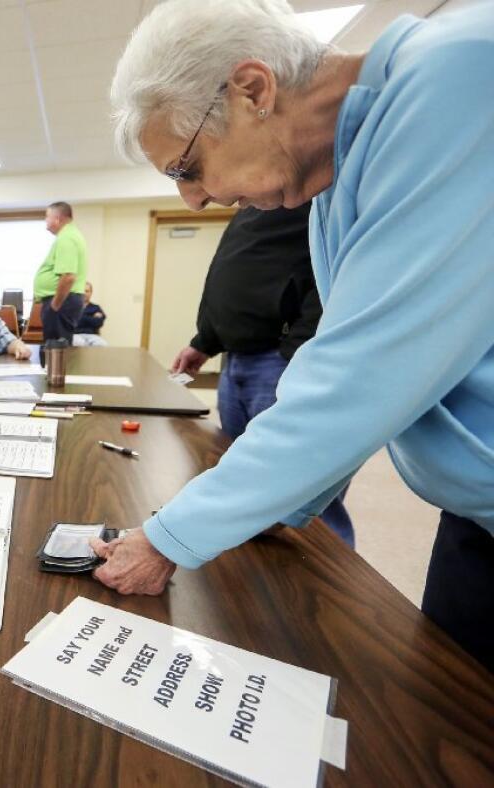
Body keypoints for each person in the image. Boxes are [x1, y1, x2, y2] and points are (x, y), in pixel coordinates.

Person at [98, 0, 494, 669]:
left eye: (185, 168)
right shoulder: (328, 186)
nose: (192, 200)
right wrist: (274, 502)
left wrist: (170, 537)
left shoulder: (461, 69)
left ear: (252, 90)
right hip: (474, 519)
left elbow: (359, 379)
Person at [172, 204, 353, 545]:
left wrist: (298, 351)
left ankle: (325, 592)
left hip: (281, 359)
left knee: (299, 487)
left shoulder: (312, 198)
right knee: (243, 477)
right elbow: (224, 279)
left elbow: (330, 272)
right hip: (236, 359)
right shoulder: (247, 209)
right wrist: (204, 342)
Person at [33, 201, 88, 343]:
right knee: (56, 350)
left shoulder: (66, 238)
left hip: (62, 301)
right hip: (66, 300)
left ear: (57, 218)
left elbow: (68, 276)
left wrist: (55, 305)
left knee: (55, 351)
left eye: (47, 217)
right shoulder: (71, 235)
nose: (45, 220)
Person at [72, 282, 108, 347]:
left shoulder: (96, 307)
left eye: (87, 291)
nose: (84, 293)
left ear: (91, 293)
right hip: (76, 335)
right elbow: (72, 322)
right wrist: (91, 318)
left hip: (92, 335)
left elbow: (99, 323)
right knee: (80, 343)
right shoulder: (73, 307)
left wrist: (81, 317)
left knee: (103, 344)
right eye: (83, 291)